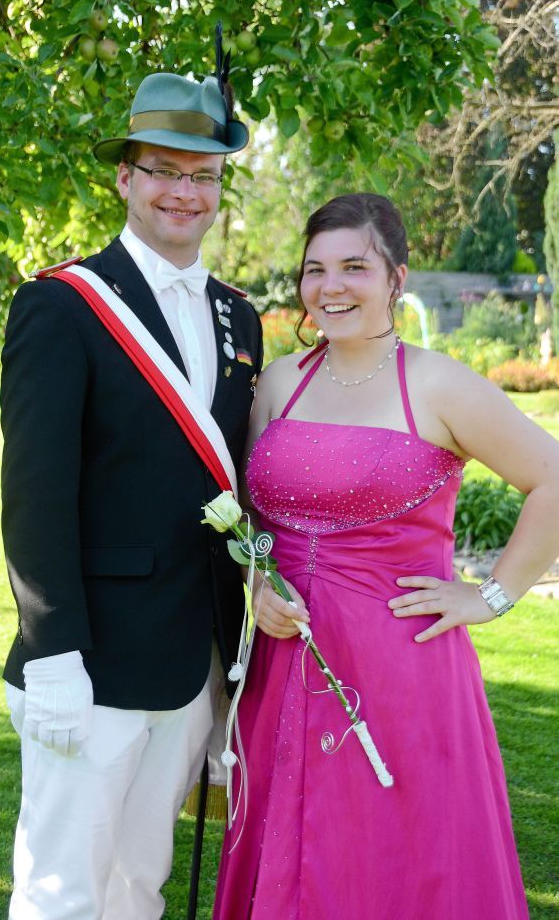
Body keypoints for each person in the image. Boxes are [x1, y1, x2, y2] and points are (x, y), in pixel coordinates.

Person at [213, 193, 559, 920]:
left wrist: (491, 596)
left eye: (354, 267)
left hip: (402, 667)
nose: (330, 286)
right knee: (289, 846)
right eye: (314, 269)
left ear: (396, 278)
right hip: (284, 664)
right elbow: (250, 519)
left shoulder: (438, 384)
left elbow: (551, 478)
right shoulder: (279, 382)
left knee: (394, 851)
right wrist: (258, 584)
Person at [0, 66, 262, 920]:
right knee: (61, 891)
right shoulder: (61, 305)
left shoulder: (238, 316)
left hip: (194, 659)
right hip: (91, 659)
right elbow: (35, 496)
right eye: (162, 170)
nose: (183, 192)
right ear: (124, 177)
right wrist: (53, 655)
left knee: (138, 885)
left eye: (203, 175)